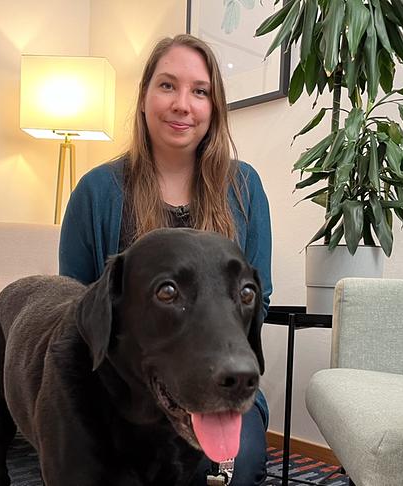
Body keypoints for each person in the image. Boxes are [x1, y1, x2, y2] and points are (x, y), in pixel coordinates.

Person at [58, 34, 272, 486]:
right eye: (167, 86)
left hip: (221, 376)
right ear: (143, 98)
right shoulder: (96, 193)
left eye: (200, 91)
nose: (183, 104)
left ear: (214, 108)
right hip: (119, 396)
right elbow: (75, 304)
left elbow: (259, 298)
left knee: (237, 466)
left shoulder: (245, 189)